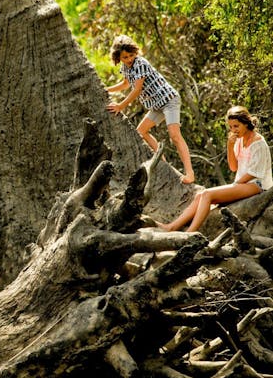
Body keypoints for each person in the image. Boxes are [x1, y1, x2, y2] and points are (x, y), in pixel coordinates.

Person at [158, 106, 272, 232]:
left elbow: (255, 173)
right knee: (200, 195)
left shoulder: (258, 143)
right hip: (243, 183)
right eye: (231, 127)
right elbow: (233, 167)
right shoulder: (240, 140)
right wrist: (230, 145)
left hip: (257, 185)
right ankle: (172, 226)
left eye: (236, 126)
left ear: (246, 123)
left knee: (207, 194)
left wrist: (236, 185)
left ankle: (190, 233)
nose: (233, 130)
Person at [105, 35, 195, 184]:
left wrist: (120, 106)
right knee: (141, 132)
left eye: (131, 55)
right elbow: (125, 84)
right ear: (118, 57)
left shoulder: (140, 62)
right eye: (125, 57)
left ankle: (190, 173)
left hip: (169, 100)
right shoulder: (125, 67)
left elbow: (137, 89)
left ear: (135, 53)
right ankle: (164, 164)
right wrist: (106, 90)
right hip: (156, 106)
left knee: (174, 135)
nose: (129, 59)